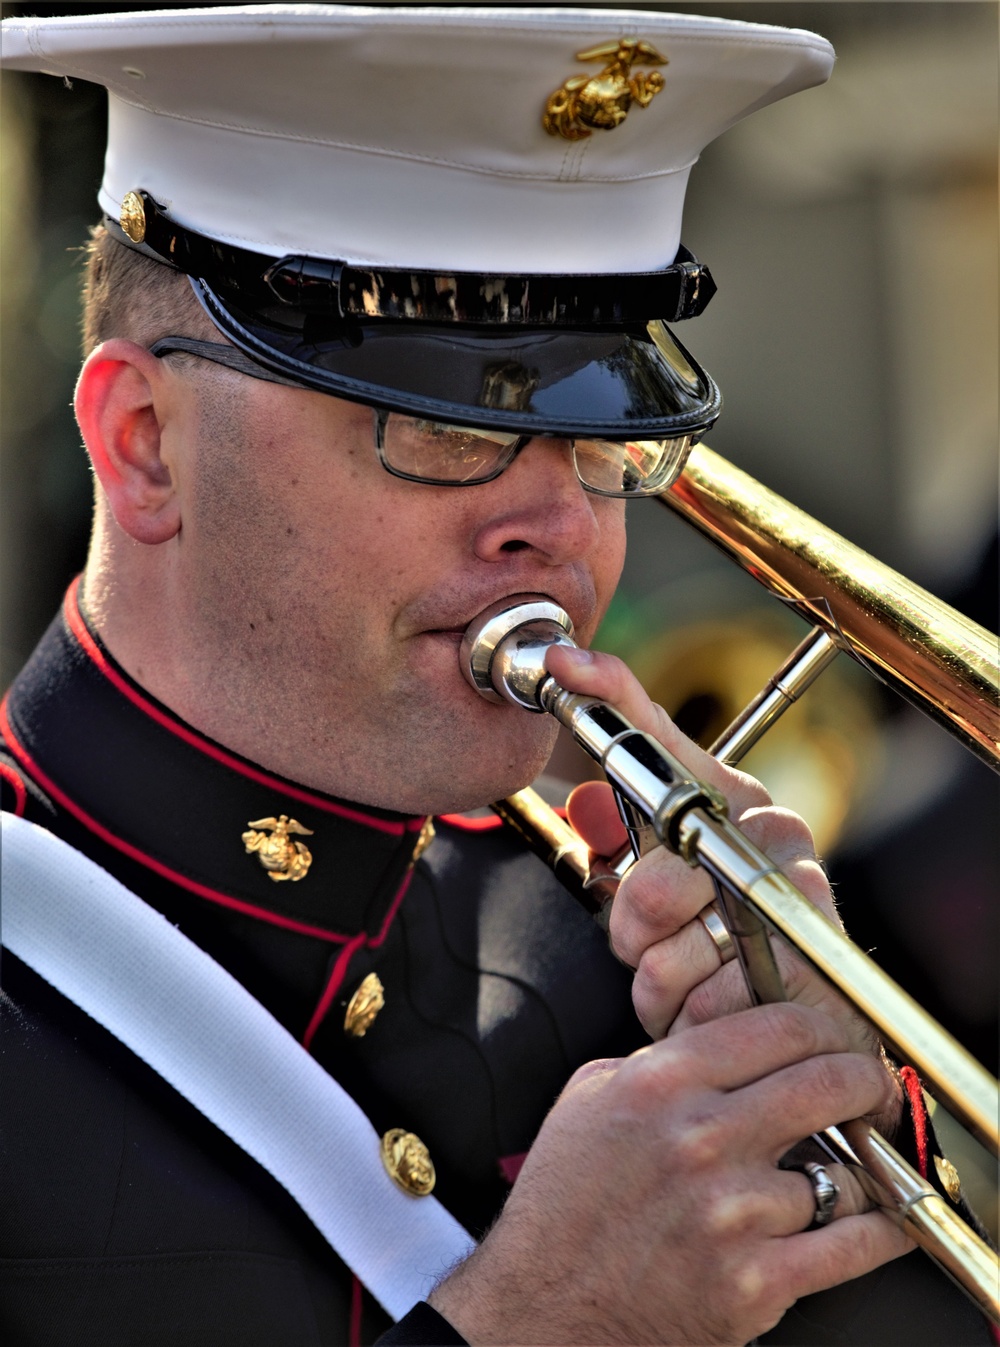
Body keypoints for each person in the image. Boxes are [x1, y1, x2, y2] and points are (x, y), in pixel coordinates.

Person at [0, 6, 991, 1345]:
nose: (565, 529)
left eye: (600, 439)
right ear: (145, 442)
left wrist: (840, 1122)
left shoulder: (598, 933)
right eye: (435, 427)